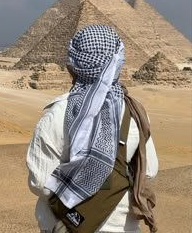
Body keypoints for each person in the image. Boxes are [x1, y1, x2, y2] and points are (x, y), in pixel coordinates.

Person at [26, 25, 158, 233]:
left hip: (68, 226)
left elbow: (41, 183)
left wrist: (78, 186)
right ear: (118, 65)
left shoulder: (57, 115)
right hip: (124, 227)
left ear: (71, 67)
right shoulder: (135, 113)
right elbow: (149, 172)